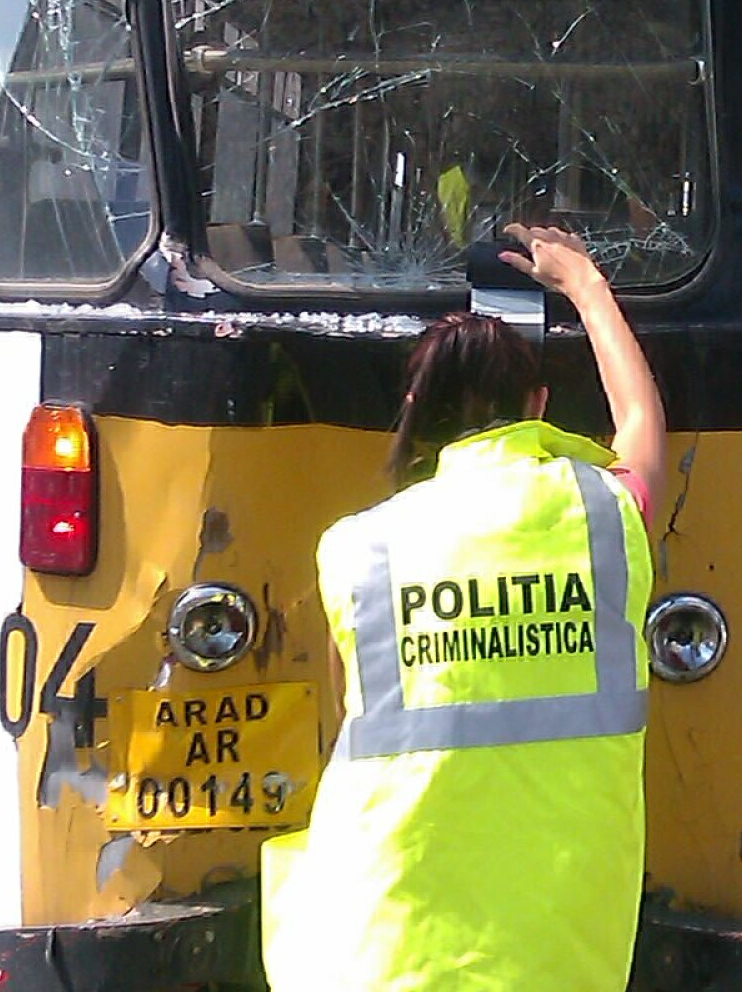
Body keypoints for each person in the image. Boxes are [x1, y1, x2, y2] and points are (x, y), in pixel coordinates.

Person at [260, 224, 666, 992]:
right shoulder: (603, 517)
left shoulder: (357, 550)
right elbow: (641, 429)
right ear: (538, 403)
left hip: (384, 943)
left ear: (424, 412)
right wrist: (585, 285)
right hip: (556, 949)